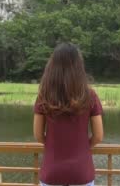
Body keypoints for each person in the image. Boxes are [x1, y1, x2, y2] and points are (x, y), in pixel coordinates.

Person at [33, 43, 104, 186]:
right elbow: (98, 136)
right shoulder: (89, 95)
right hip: (82, 172)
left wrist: (56, 146)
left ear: (52, 66)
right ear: (79, 66)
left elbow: (38, 135)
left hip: (52, 172)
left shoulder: (44, 95)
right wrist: (82, 147)